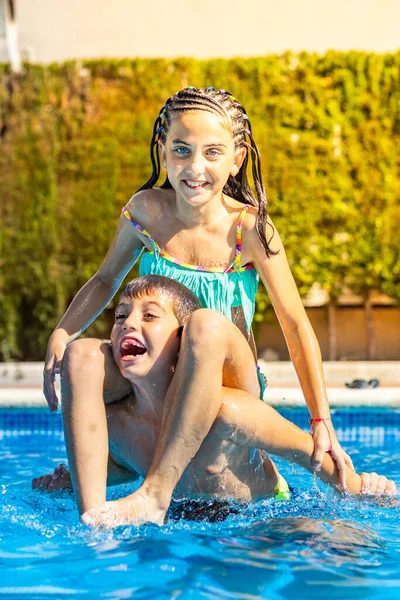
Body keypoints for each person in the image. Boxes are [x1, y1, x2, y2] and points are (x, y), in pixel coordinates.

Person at [43, 86, 352, 524]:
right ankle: (94, 520)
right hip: (158, 375)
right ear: (163, 153)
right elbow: (105, 279)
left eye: (212, 152)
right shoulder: (145, 213)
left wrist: (320, 418)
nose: (195, 168)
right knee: (82, 357)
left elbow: (296, 325)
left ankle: (154, 494)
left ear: (237, 158)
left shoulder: (248, 230)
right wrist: (62, 331)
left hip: (227, 374)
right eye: (182, 151)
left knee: (204, 326)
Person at [34, 277, 396, 527]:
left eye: (149, 315)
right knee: (80, 352)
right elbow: (133, 462)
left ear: (181, 343)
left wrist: (363, 486)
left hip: (263, 520)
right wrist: (75, 482)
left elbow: (306, 452)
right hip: (178, 522)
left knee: (342, 548)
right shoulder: (117, 423)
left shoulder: (228, 412)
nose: (128, 323)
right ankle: (97, 527)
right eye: (121, 315)